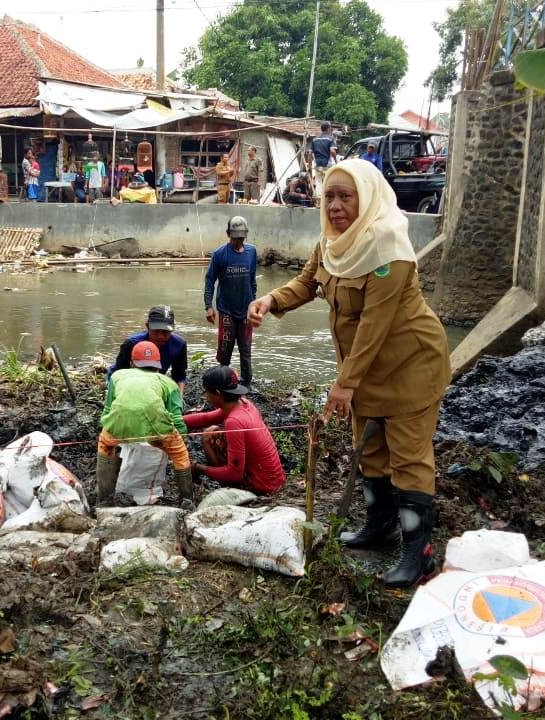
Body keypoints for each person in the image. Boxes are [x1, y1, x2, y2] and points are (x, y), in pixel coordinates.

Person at [248, 158, 450, 589]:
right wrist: (272, 300)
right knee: (371, 451)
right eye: (329, 197)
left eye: (346, 196)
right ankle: (380, 528)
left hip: (411, 367)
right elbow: (307, 283)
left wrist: (344, 384)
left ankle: (420, 554)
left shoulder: (388, 250)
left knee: (409, 459)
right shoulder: (333, 243)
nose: (336, 206)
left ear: (368, 196)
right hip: (365, 372)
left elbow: (375, 326)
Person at [96, 341, 192, 505]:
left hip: (119, 424)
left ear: (132, 363)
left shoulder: (117, 376)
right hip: (157, 427)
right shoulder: (168, 383)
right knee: (180, 455)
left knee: (105, 446)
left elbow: (107, 409)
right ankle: (187, 500)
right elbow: (176, 418)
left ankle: (104, 500)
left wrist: (105, 427)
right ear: (158, 366)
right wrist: (182, 437)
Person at [183, 366, 285, 495]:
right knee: (214, 432)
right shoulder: (244, 403)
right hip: (275, 480)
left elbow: (234, 474)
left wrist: (199, 468)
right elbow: (206, 418)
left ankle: (227, 485)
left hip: (262, 486)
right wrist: (174, 420)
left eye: (206, 392)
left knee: (209, 437)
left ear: (217, 394)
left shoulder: (234, 421)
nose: (206, 396)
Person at [204, 216, 258, 385]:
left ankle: (247, 382)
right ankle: (224, 380)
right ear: (228, 234)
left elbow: (252, 279)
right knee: (225, 348)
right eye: (235, 238)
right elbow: (209, 280)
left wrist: (254, 304)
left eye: (241, 238)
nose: (238, 241)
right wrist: (208, 306)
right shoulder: (220, 254)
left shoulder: (252, 252)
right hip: (226, 309)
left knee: (246, 348)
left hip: (246, 309)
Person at [109, 305, 188, 389]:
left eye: (165, 331)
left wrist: (179, 397)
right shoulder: (132, 343)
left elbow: (179, 375)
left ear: (172, 329)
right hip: (130, 379)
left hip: (155, 380)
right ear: (147, 326)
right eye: (156, 331)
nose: (161, 336)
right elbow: (119, 373)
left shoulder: (179, 345)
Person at [311, 122, 338, 200]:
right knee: (329, 182)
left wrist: (309, 165)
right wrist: (336, 161)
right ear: (329, 129)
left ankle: (319, 202)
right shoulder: (330, 139)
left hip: (317, 165)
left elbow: (310, 153)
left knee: (319, 182)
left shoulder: (315, 139)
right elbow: (332, 151)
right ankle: (328, 200)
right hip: (327, 165)